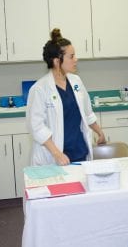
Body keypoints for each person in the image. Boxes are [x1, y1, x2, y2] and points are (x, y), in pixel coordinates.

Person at [26, 28, 106, 166]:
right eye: (71, 56)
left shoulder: (76, 81)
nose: (76, 59)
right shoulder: (39, 89)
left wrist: (99, 132)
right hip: (55, 158)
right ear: (57, 61)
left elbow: (87, 112)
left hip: (79, 153)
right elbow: (37, 127)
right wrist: (57, 154)